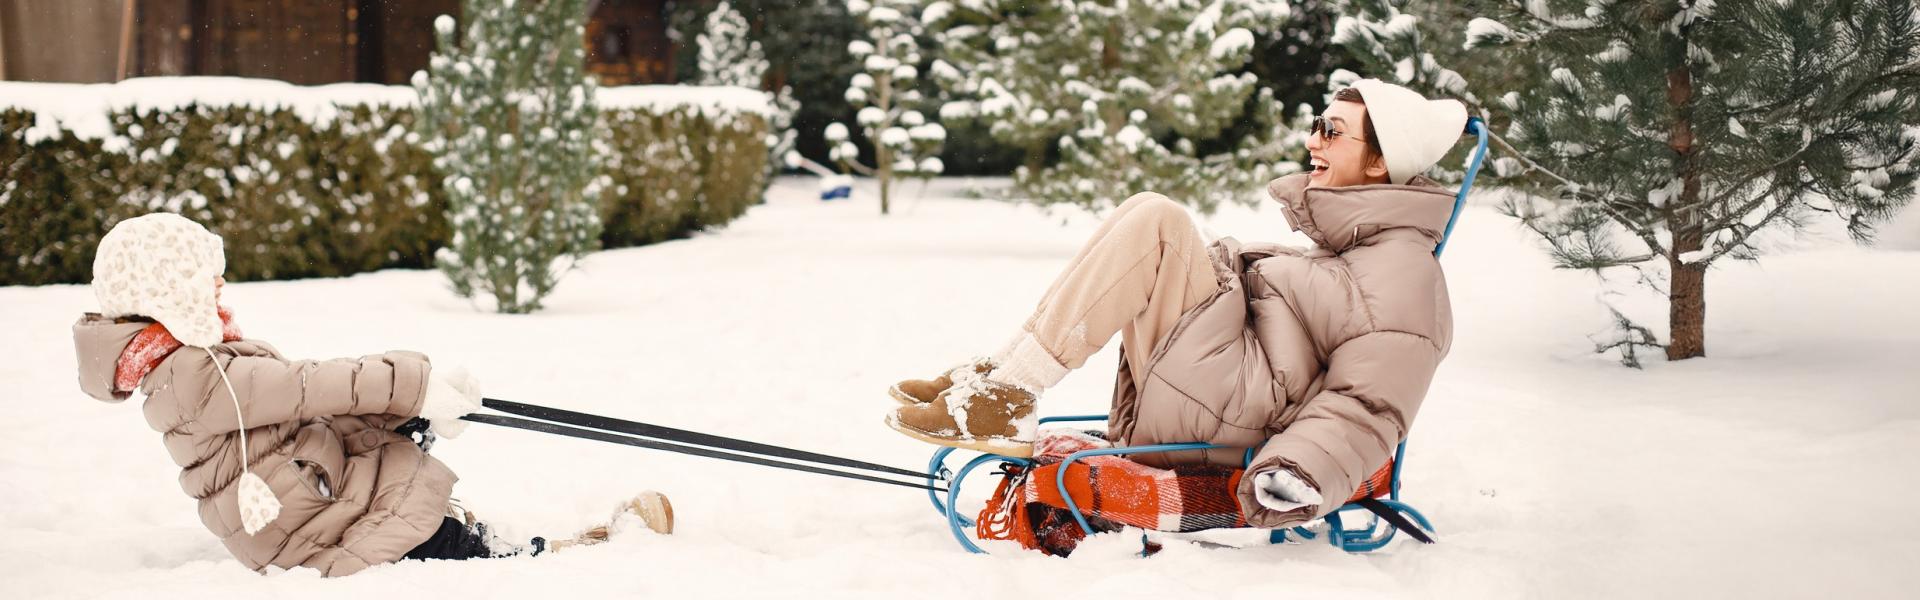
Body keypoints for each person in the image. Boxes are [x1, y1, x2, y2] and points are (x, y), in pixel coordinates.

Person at [885, 78, 1467, 528]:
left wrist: (1298, 472)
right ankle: (1002, 380)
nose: (1312, 139)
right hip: (1219, 389)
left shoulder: (1403, 275)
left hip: (1236, 421)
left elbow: (1368, 405)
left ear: (1379, 163)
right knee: (1149, 214)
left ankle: (1008, 393)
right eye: (1317, 123)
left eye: (1333, 130)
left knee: (1159, 221)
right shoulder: (1350, 253)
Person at [71, 213, 674, 576]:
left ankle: (471, 531)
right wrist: (411, 383)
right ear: (165, 292)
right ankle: (567, 559)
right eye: (204, 276)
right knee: (432, 542)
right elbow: (306, 386)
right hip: (313, 527)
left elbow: (299, 410)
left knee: (388, 443)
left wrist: (406, 404)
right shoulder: (192, 375)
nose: (220, 283)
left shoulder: (186, 367)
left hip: (305, 499)